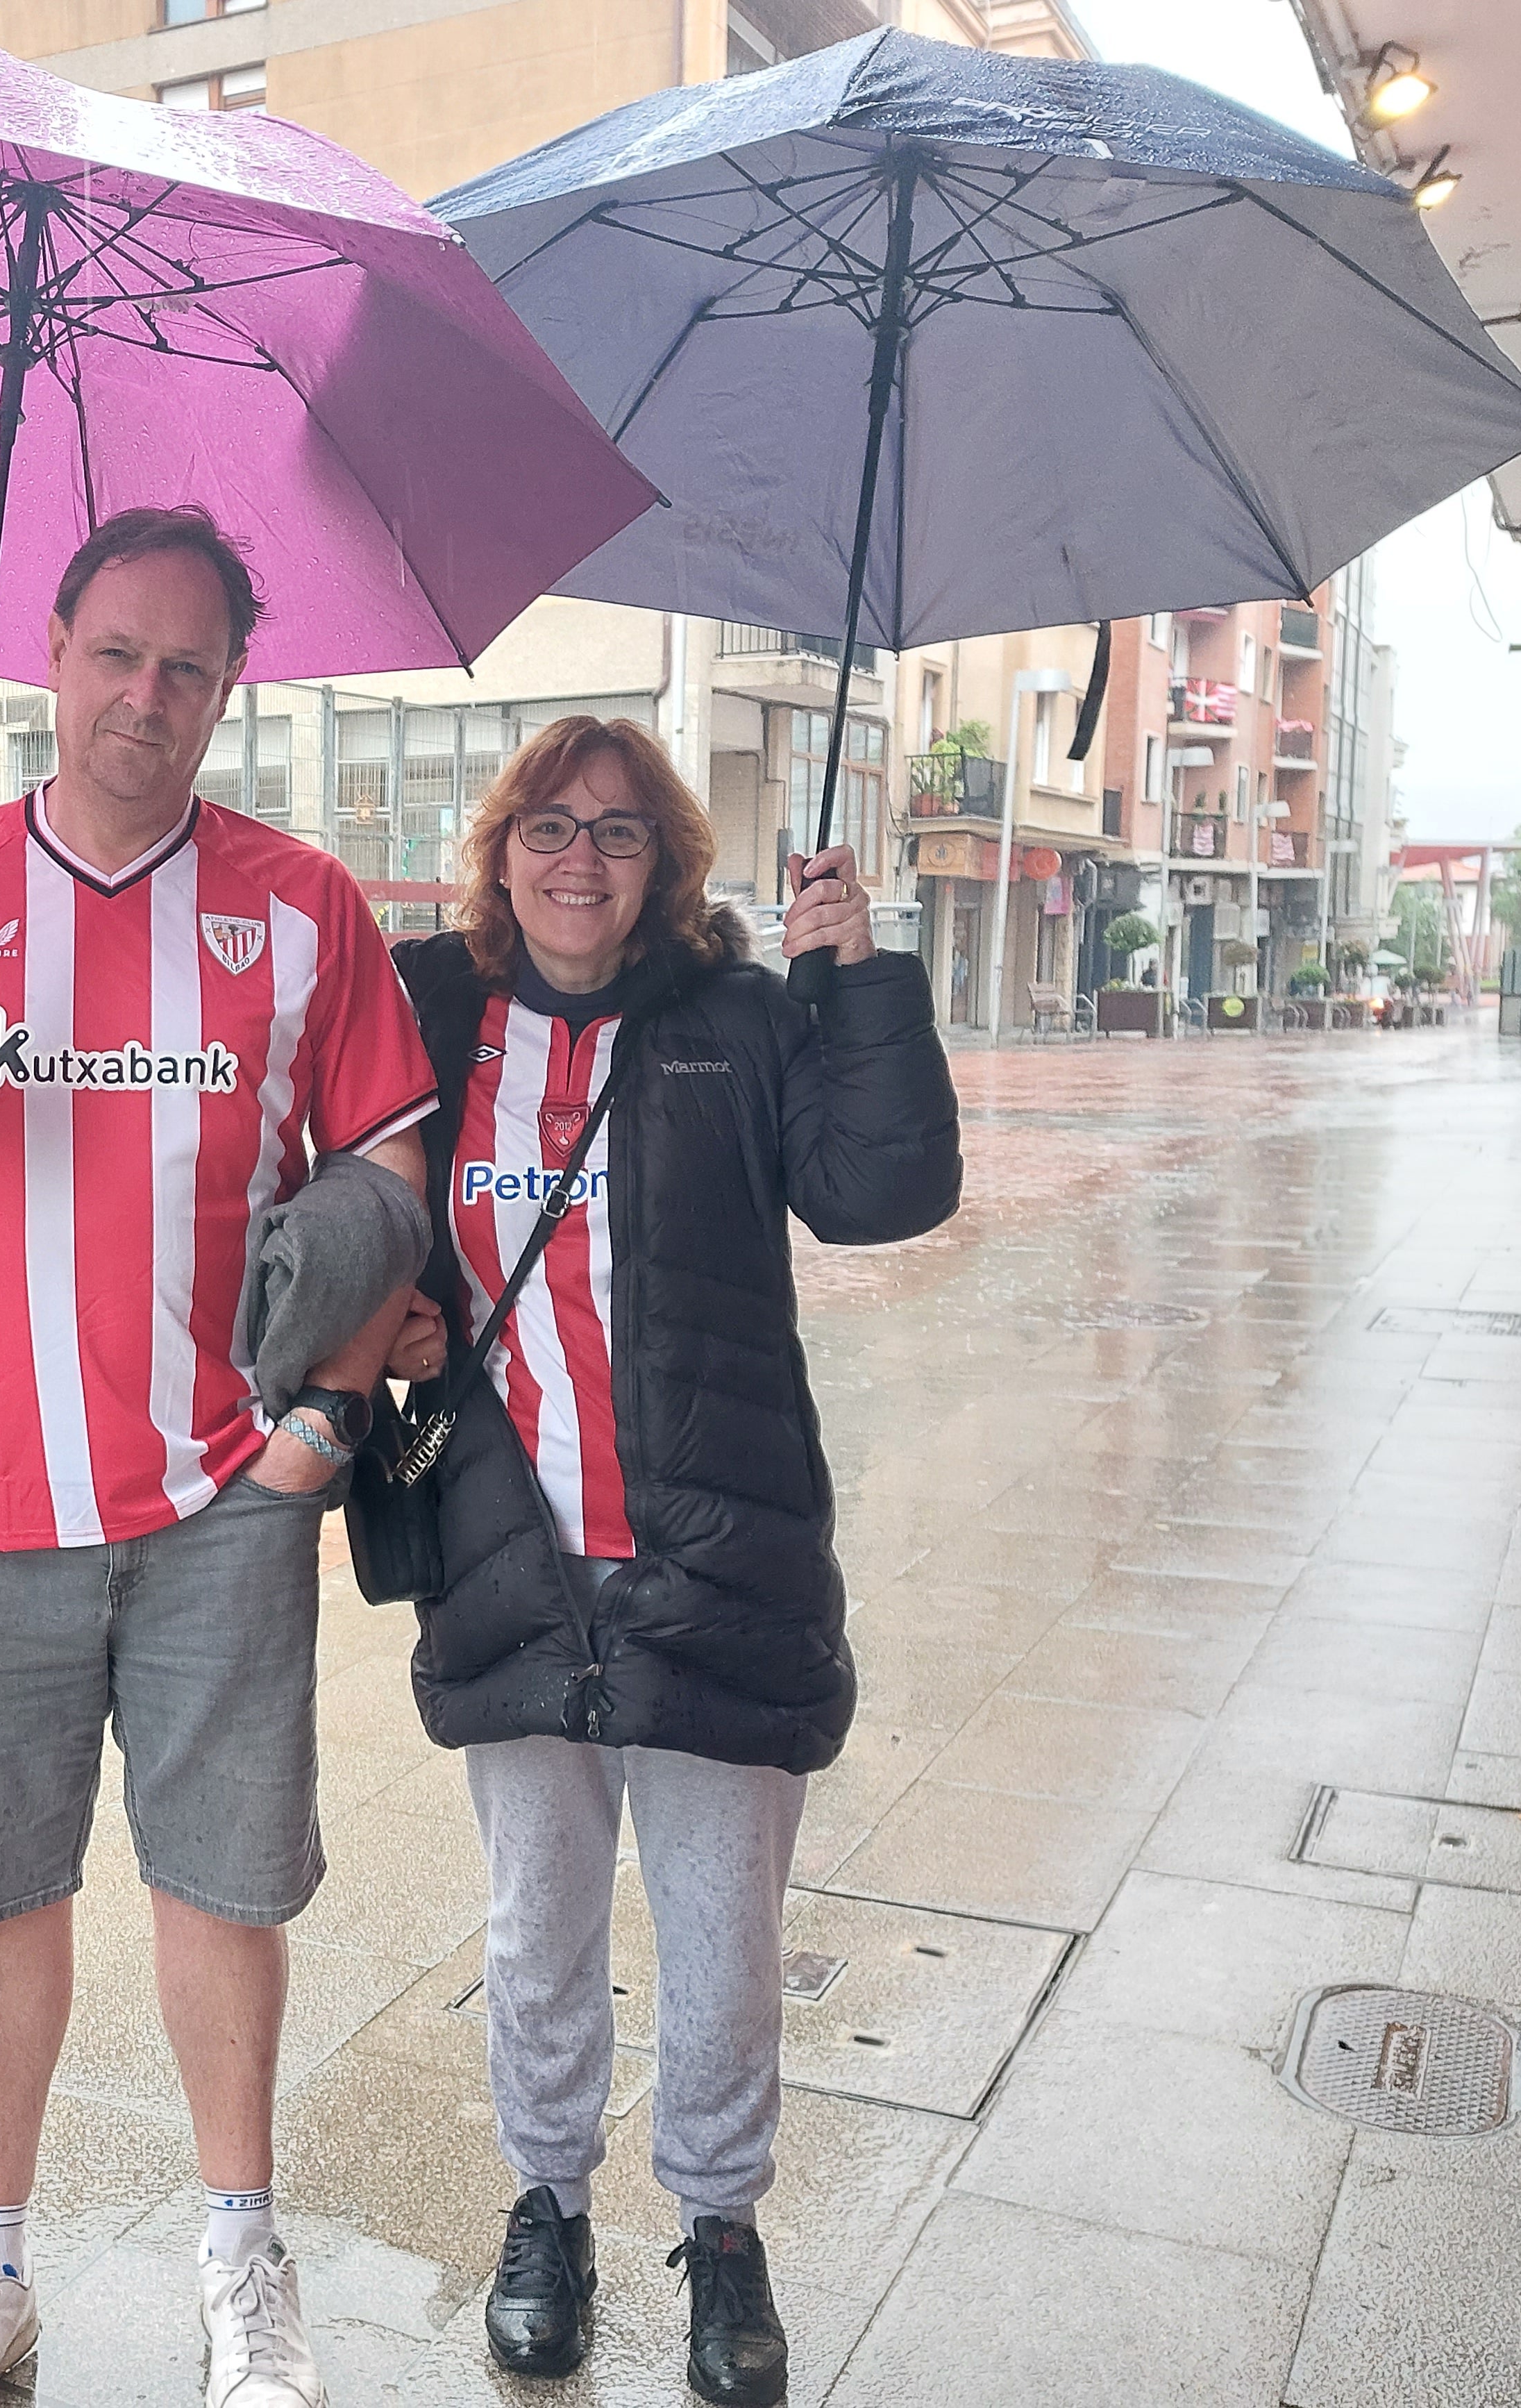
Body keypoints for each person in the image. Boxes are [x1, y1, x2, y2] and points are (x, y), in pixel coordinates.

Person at [0, 507, 435, 2408]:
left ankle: (245, 2257)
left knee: (225, 1884)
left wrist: (320, 1417)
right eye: (116, 653)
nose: (147, 696)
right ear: (51, 650)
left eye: (190, 668)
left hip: (231, 1496)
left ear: (226, 688)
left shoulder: (300, 903)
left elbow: (390, 1166)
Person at [378, 718, 960, 2405]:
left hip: (716, 1547)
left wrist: (856, 986)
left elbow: (880, 1192)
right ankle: (545, 2203)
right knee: (535, 1919)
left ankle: (718, 2226)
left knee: (720, 1930)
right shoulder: (436, 1014)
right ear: (498, 850)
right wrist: (386, 1313)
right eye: (548, 828)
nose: (579, 859)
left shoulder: (734, 1020)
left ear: (667, 865)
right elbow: (339, 1184)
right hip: (509, 1549)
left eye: (618, 834)